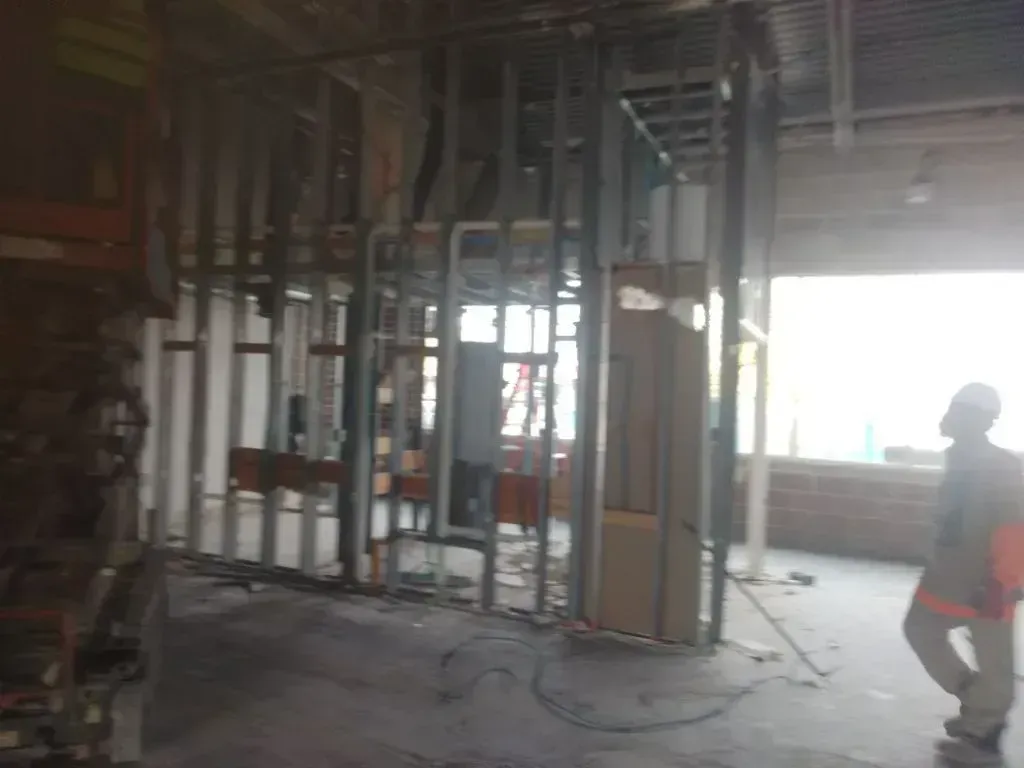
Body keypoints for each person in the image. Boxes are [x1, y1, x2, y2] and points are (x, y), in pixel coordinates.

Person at [904, 383, 1024, 764]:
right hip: (947, 577)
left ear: (982, 421)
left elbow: (1013, 529)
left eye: (961, 409)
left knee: (994, 660)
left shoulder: (1002, 467)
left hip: (988, 582)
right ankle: (978, 706)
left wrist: (1005, 582)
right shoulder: (959, 459)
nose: (950, 414)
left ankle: (984, 738)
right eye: (953, 406)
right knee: (920, 628)